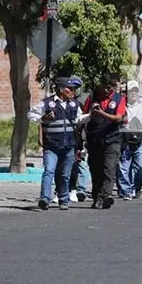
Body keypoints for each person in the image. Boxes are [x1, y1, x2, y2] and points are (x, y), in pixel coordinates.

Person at [28, 76, 83, 211]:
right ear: (61, 89)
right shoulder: (47, 103)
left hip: (68, 145)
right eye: (70, 89)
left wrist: (91, 115)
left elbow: (79, 118)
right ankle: (44, 199)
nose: (73, 91)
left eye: (74, 89)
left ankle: (64, 200)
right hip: (51, 146)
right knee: (49, 171)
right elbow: (30, 114)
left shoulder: (74, 104)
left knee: (64, 174)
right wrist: (42, 118)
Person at [82, 75, 127, 209]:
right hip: (94, 139)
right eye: (105, 87)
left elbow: (118, 118)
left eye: (110, 88)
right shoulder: (92, 98)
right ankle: (97, 196)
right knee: (96, 170)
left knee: (109, 168)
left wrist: (102, 114)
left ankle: (106, 195)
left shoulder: (119, 98)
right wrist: (91, 115)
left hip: (112, 139)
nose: (107, 90)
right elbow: (83, 117)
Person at [119, 81, 142, 200]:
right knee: (124, 167)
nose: (133, 93)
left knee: (141, 167)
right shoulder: (121, 104)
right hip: (126, 141)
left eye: (135, 90)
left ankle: (138, 187)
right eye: (130, 90)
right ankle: (126, 191)